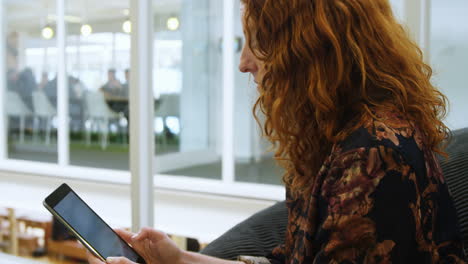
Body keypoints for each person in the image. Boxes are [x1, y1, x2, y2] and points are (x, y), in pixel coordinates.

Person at [88, 0, 466, 263]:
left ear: (308, 50)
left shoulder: (373, 156)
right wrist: (180, 259)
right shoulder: (336, 140)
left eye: (258, 42)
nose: (243, 62)